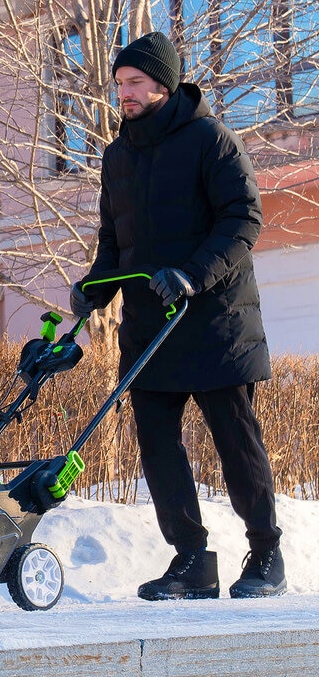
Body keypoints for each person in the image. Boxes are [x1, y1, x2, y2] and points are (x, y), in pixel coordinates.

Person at [70, 31, 285, 600]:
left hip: (215, 322)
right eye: (119, 84)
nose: (125, 94)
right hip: (150, 326)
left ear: (164, 84)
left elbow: (243, 219)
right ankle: (191, 559)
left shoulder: (210, 140)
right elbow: (115, 239)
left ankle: (267, 555)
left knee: (235, 442)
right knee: (158, 444)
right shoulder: (117, 155)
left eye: (135, 83)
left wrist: (193, 273)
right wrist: (96, 284)